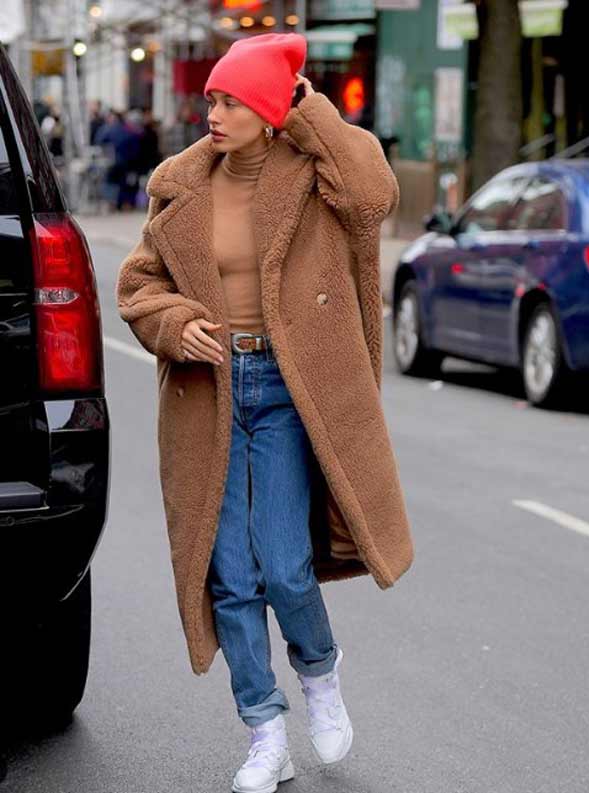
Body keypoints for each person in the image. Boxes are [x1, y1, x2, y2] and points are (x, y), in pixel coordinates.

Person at [115, 32, 414, 793]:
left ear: (268, 109)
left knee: (284, 564)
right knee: (230, 576)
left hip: (286, 391)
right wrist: (176, 323)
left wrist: (307, 108)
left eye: (230, 99)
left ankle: (318, 671)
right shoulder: (180, 184)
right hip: (210, 392)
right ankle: (265, 730)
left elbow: (374, 194)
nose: (212, 111)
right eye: (210, 97)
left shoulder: (315, 176)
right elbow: (138, 285)